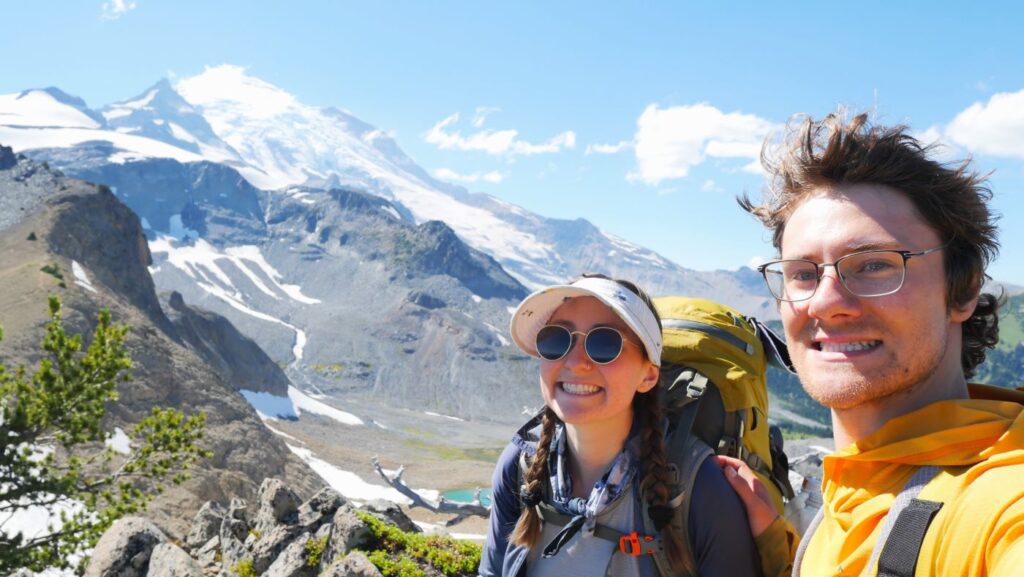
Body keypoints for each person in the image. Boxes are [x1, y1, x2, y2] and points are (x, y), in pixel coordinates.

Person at [721, 110, 1024, 577]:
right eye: (802, 273)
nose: (824, 302)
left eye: (875, 265)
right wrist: (773, 546)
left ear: (962, 291)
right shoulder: (851, 489)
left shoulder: (1000, 502)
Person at [479, 273, 762, 576]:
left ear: (648, 376)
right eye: (556, 338)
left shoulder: (699, 488)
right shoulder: (520, 463)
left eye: (605, 343)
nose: (575, 362)